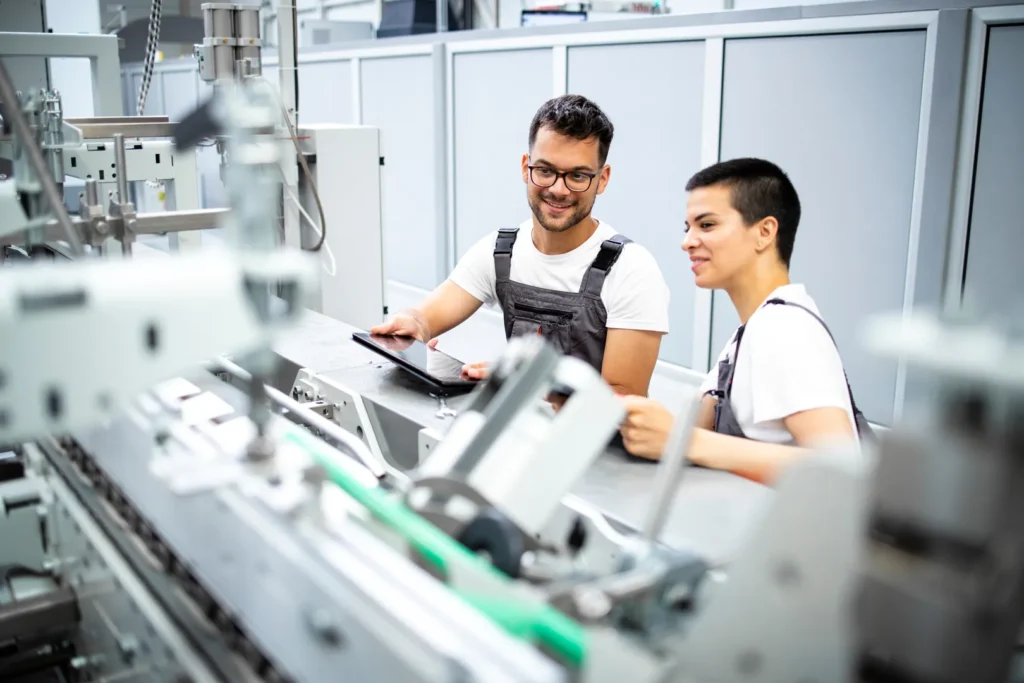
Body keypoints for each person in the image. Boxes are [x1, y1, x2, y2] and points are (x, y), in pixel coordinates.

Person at [370, 94, 670, 397]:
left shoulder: (631, 270)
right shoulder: (501, 251)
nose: (558, 189)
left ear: (602, 179)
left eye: (577, 176)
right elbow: (425, 317)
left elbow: (622, 402)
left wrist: (529, 386)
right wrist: (411, 324)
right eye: (545, 170)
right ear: (526, 167)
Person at [618, 158, 871, 484]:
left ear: (765, 232)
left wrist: (686, 441)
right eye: (688, 228)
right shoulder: (750, 333)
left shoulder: (785, 329)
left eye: (706, 225)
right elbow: (693, 425)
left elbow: (841, 472)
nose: (687, 242)